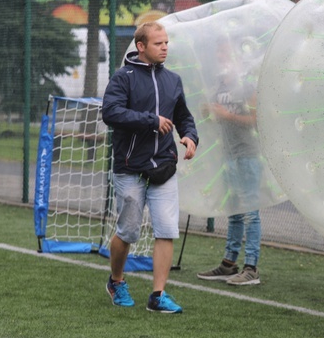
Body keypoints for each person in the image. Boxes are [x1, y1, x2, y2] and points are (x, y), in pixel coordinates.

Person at [101, 21, 198, 313]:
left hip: (164, 167)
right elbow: (111, 112)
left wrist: (190, 137)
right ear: (141, 47)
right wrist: (151, 120)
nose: (165, 47)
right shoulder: (123, 78)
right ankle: (116, 281)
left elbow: (184, 117)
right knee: (128, 231)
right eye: (158, 43)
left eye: (166, 42)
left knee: (166, 229)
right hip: (130, 167)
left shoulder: (173, 80)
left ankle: (158, 295)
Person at [196, 42, 262, 285]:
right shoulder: (218, 87)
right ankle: (228, 263)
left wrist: (226, 115)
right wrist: (207, 111)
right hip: (228, 157)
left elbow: (256, 120)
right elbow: (213, 118)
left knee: (250, 214)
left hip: (247, 155)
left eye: (224, 52)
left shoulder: (246, 87)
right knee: (233, 213)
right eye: (219, 53)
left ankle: (252, 267)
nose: (220, 57)